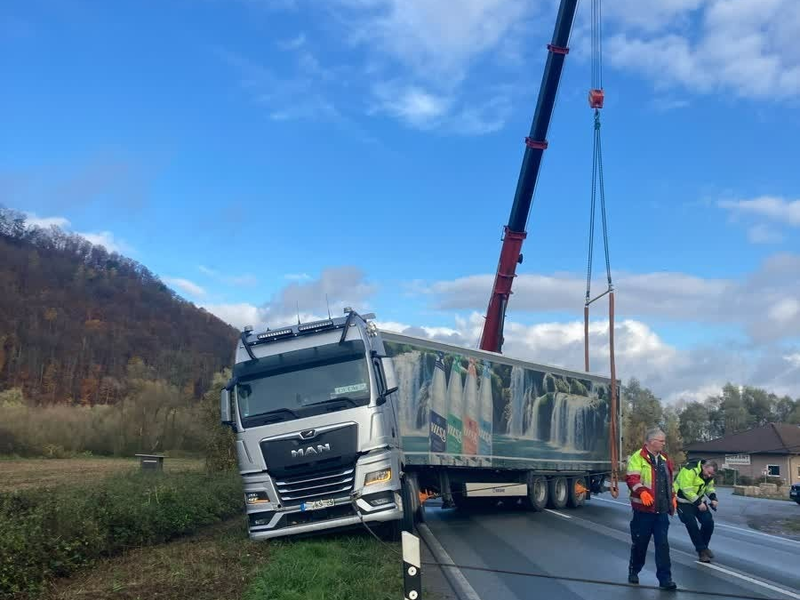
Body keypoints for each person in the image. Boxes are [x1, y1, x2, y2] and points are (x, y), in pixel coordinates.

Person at [625, 427, 678, 591]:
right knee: (640, 543)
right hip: (644, 511)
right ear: (651, 441)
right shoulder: (637, 457)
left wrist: (673, 496)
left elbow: (668, 482)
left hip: (661, 511)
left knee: (663, 545)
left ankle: (665, 579)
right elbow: (631, 478)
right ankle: (634, 571)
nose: (664, 444)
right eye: (661, 441)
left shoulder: (664, 459)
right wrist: (641, 492)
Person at [675, 459, 718, 562]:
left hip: (699, 501)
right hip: (683, 501)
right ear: (704, 467)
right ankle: (701, 551)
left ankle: (703, 546)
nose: (709, 476)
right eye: (708, 473)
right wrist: (698, 503)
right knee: (692, 524)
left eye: (712, 474)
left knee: (708, 523)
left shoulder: (709, 476)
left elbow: (709, 488)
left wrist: (713, 498)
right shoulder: (690, 470)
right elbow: (686, 489)